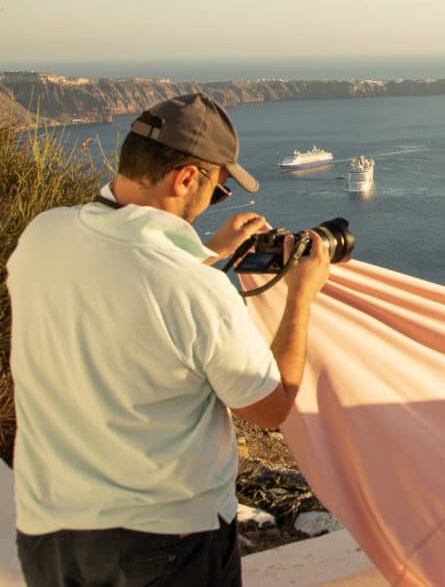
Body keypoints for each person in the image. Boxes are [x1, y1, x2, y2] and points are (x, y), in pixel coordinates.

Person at [8, 92, 332, 586]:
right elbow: (271, 408)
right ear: (184, 179)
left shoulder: (41, 236)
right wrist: (300, 296)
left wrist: (207, 251)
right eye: (218, 190)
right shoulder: (194, 290)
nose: (211, 201)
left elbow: (123, 287)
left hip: (49, 531)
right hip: (163, 544)